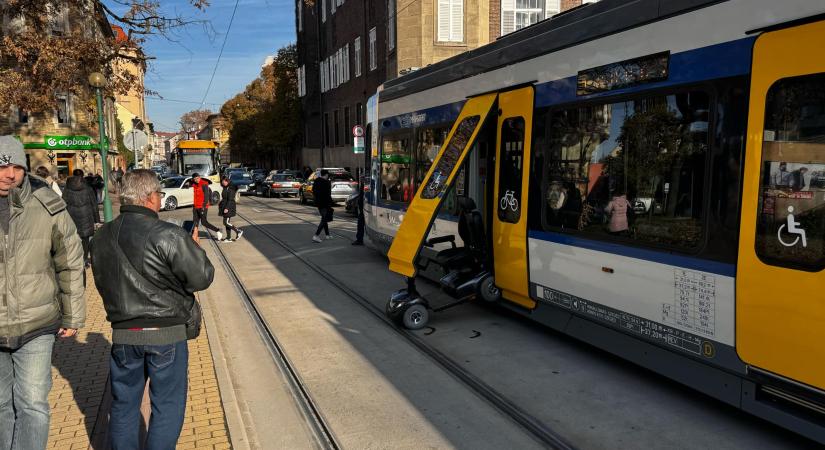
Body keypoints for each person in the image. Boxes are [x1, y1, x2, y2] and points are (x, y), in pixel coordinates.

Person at [90, 169, 214, 450]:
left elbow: (100, 280)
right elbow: (201, 277)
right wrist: (196, 250)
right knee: (167, 406)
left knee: (123, 406)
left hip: (123, 334)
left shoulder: (102, 236)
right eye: (159, 193)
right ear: (148, 197)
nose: (160, 198)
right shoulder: (167, 234)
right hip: (166, 334)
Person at [0, 135, 86, 450]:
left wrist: (73, 314)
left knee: (32, 403)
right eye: (1, 166)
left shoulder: (45, 203)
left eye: (16, 167)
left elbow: (70, 260)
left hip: (37, 323)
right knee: (0, 407)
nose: (9, 174)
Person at [63, 169, 100, 267]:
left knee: (73, 238)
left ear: (73, 175)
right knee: (85, 240)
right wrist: (97, 220)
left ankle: (75, 259)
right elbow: (94, 204)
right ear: (82, 176)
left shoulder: (67, 187)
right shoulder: (88, 188)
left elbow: (64, 202)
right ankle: (84, 259)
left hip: (72, 215)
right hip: (86, 215)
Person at [191, 173, 222, 241]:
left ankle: (218, 230)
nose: (196, 180)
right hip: (195, 206)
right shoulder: (194, 184)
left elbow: (206, 196)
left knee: (204, 222)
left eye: (197, 178)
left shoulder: (204, 184)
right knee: (195, 223)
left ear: (199, 177)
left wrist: (203, 207)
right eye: (195, 179)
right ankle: (194, 236)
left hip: (203, 206)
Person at [218, 177, 242, 242]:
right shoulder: (225, 187)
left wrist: (227, 208)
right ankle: (228, 238)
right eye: (222, 182)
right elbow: (225, 197)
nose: (223, 183)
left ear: (228, 181)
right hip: (225, 206)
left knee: (225, 222)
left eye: (225, 181)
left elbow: (230, 199)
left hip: (229, 207)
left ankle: (238, 231)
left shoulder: (230, 188)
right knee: (227, 222)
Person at [312, 169, 333, 243]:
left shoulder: (316, 181)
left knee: (324, 218)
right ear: (326, 175)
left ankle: (327, 235)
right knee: (324, 219)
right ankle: (316, 235)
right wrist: (330, 203)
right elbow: (328, 194)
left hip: (318, 203)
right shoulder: (327, 182)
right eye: (328, 175)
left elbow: (313, 191)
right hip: (325, 203)